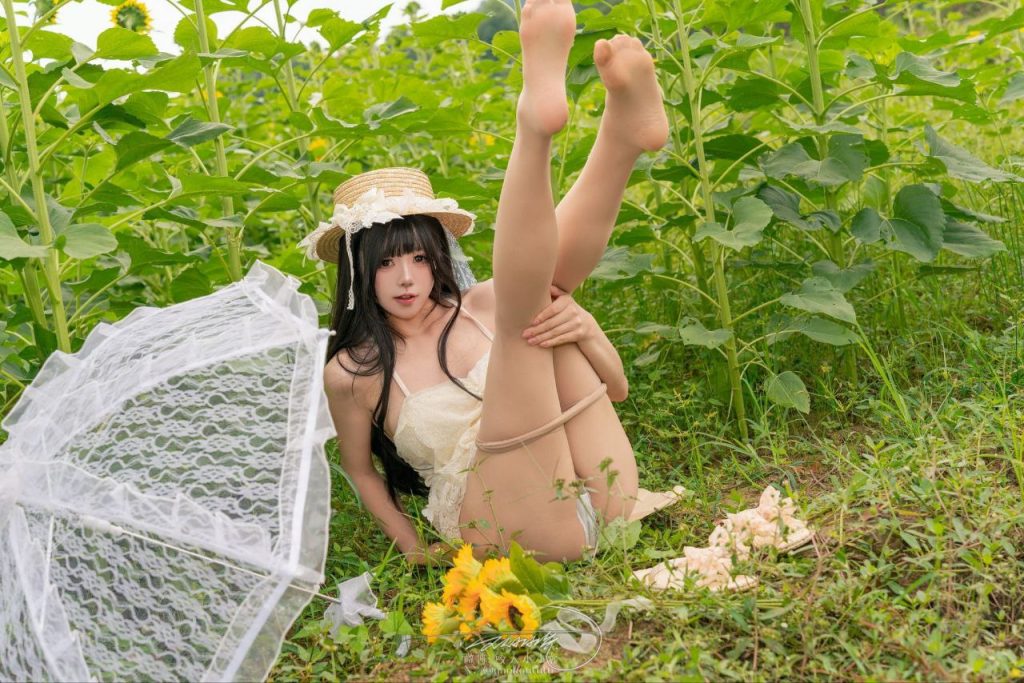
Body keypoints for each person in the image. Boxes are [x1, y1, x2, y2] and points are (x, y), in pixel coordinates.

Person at [304, 0, 669, 565]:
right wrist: (414, 549)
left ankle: (620, 138)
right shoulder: (353, 372)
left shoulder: (479, 306)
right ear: (357, 272)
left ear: (438, 259)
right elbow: (361, 470)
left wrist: (588, 330)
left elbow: (615, 391)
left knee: (537, 294)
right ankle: (543, 128)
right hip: (507, 529)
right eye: (385, 264)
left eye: (419, 258)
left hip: (610, 495)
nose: (407, 278)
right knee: (526, 308)